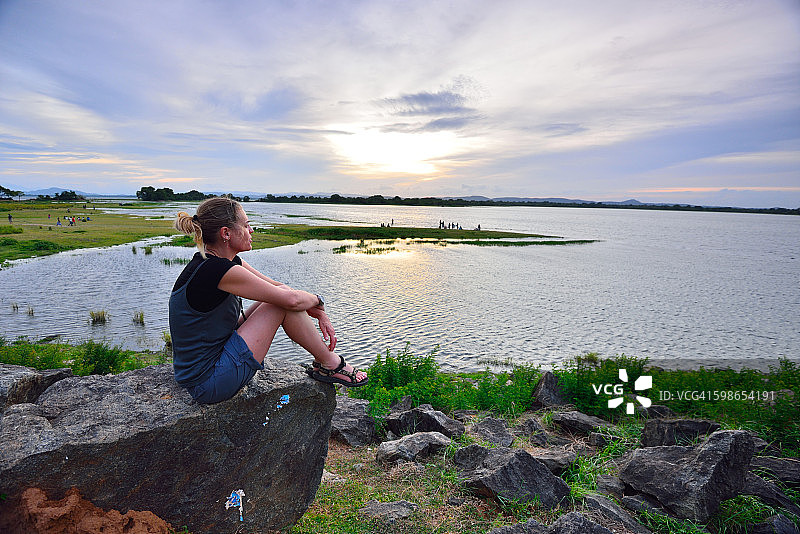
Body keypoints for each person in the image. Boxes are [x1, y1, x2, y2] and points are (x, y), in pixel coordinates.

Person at [169, 197, 368, 404]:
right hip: (207, 383)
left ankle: (326, 363)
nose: (251, 230)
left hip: (215, 357)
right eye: (246, 225)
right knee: (279, 305)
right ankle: (330, 364)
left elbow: (278, 288)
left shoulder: (221, 263)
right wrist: (318, 300)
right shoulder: (216, 270)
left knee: (279, 298)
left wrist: (313, 307)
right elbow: (289, 300)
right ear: (226, 233)